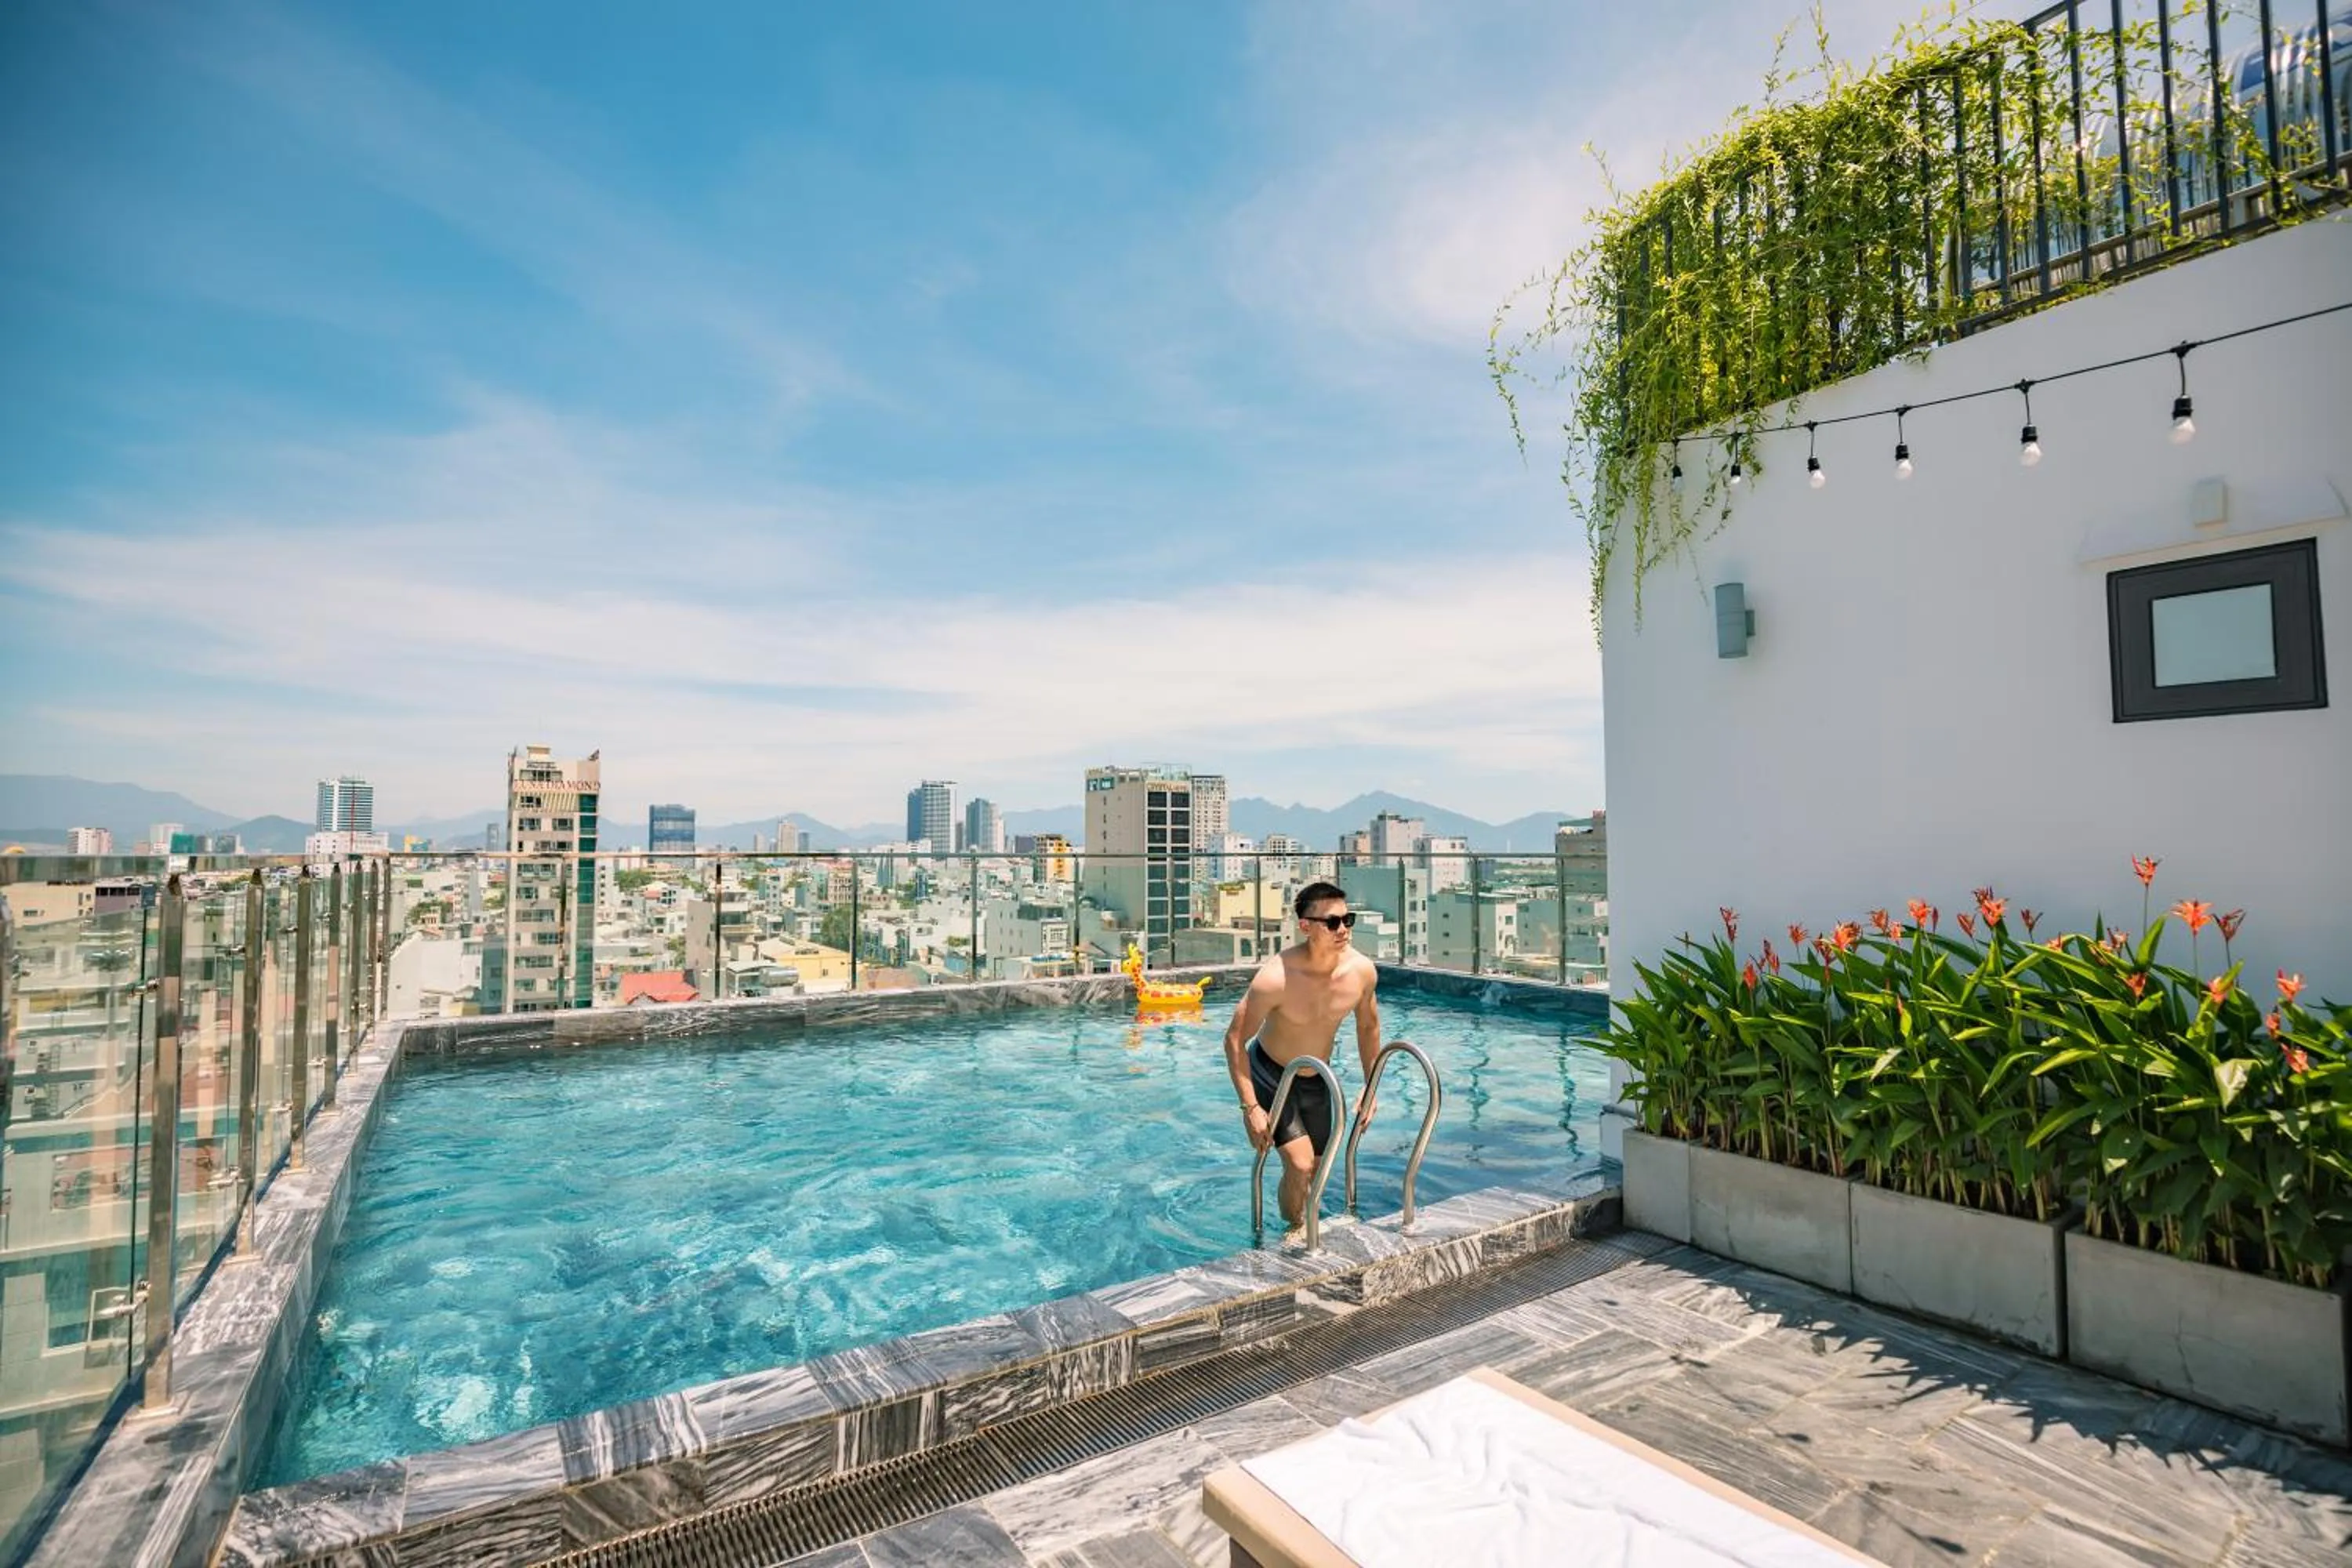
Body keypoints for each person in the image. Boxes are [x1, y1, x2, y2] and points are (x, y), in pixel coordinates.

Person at [1222, 880, 1381, 1227]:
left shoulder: (1361, 972)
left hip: (1316, 1078)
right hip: (1272, 1074)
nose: (1343, 930)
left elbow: (1368, 1028)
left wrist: (1371, 1088)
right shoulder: (1276, 977)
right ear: (1306, 926)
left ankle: (1300, 1225)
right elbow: (1234, 1040)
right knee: (1300, 1164)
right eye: (1332, 922)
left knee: (1315, 1169)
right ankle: (1295, 1236)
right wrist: (1250, 1108)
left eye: (1347, 919)